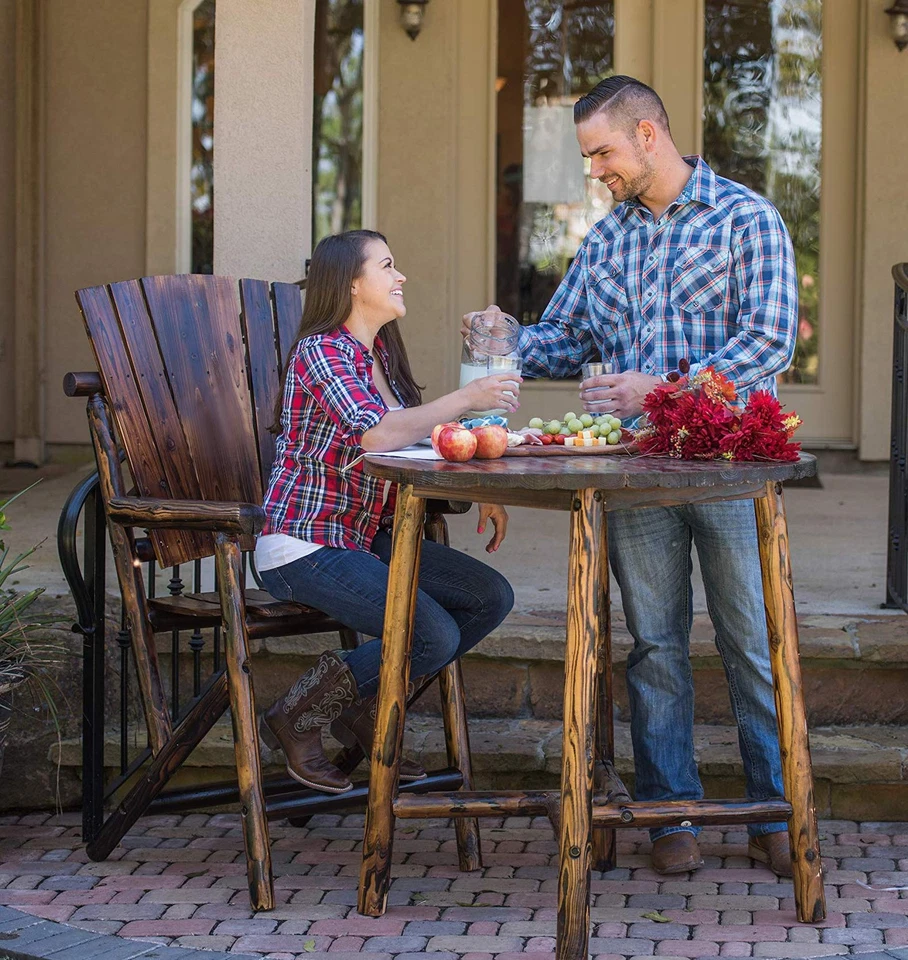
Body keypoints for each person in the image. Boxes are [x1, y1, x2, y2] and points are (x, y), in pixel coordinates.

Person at [470, 76, 798, 877]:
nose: (595, 170)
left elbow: (768, 345)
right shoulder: (609, 236)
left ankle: (775, 813)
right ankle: (668, 814)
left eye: (603, 152)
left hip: (724, 469)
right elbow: (565, 337)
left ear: (649, 135)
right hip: (633, 475)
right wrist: (506, 335)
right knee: (654, 648)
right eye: (588, 156)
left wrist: (663, 388)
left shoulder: (746, 219)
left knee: (751, 643)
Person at [258, 229, 517, 795]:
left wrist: (484, 480)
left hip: (361, 538)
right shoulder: (322, 351)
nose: (401, 277)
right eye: (388, 266)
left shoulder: (379, 358)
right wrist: (467, 399)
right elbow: (377, 433)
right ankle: (297, 714)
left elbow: (416, 442)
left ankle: (365, 709)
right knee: (432, 633)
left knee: (489, 597)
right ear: (352, 282)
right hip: (304, 543)